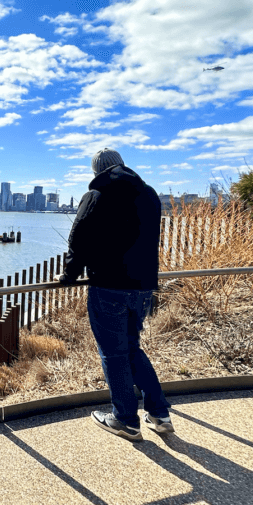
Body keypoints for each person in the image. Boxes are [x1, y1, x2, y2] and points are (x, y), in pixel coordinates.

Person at [58, 148, 173, 441]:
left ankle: (125, 419)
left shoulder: (97, 195)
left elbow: (78, 239)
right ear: (122, 165)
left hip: (109, 285)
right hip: (143, 286)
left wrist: (68, 275)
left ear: (97, 170)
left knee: (113, 354)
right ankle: (159, 414)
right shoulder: (148, 195)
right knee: (131, 348)